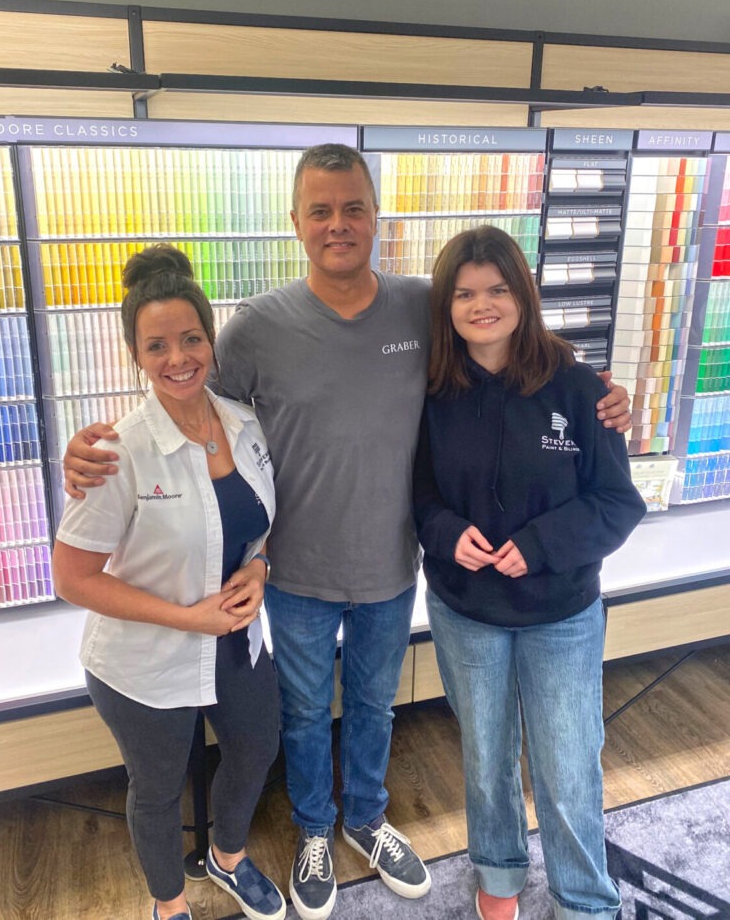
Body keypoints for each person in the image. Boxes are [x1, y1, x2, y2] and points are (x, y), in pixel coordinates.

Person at [62, 145, 632, 920]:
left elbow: (504, 329)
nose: (339, 224)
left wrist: (597, 389)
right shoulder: (256, 327)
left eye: (353, 207)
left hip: (394, 565)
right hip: (292, 572)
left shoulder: (419, 305)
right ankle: (313, 833)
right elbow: (190, 407)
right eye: (321, 210)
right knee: (301, 713)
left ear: (375, 216)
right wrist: (88, 450)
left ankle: (366, 816)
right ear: (295, 222)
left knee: (372, 706)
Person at [413, 226, 646, 920]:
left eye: (497, 289)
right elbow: (419, 494)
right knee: (487, 757)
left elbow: (617, 501)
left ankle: (582, 897)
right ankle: (498, 870)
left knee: (568, 763)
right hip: (466, 610)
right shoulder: (433, 390)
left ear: (524, 294)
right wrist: (448, 535)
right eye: (464, 293)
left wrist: (541, 544)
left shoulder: (580, 388)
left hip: (562, 613)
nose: (482, 305)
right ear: (446, 306)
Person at [52, 244, 286, 920]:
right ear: (137, 355)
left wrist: (261, 566)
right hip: (142, 659)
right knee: (156, 789)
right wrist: (189, 618)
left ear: (211, 341)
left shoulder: (244, 423)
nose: (178, 357)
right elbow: (71, 576)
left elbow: (255, 520)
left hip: (237, 637)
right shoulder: (114, 453)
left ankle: (228, 858)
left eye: (190, 339)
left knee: (255, 747)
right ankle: (169, 904)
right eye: (157, 345)